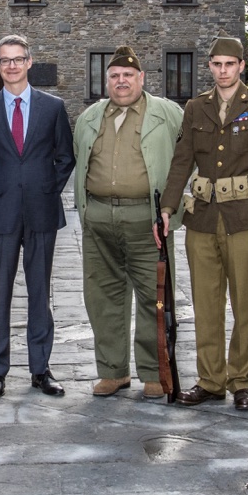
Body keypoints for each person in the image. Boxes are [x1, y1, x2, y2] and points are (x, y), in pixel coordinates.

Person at [158, 31, 248, 411]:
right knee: (206, 304)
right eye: (216, 65)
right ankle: (210, 380)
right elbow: (182, 161)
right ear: (210, 68)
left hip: (243, 219)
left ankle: (242, 382)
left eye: (229, 64)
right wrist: (168, 208)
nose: (222, 71)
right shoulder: (195, 107)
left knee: (245, 304)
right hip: (202, 220)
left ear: (241, 66)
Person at [73, 45, 184, 398]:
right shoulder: (90, 117)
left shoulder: (167, 113)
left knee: (155, 296)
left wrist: (176, 203)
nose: (121, 82)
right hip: (99, 217)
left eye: (128, 76)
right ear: (106, 81)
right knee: (102, 297)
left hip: (147, 220)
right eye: (115, 76)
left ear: (142, 78)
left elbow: (188, 158)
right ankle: (113, 371)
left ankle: (153, 372)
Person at [0, 35, 76, 398]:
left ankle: (40, 369)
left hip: (41, 210)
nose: (12, 66)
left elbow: (66, 157)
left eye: (18, 59)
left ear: (30, 62)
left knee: (39, 293)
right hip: (1, 213)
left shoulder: (53, 107)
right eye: (4, 60)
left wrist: (46, 188)